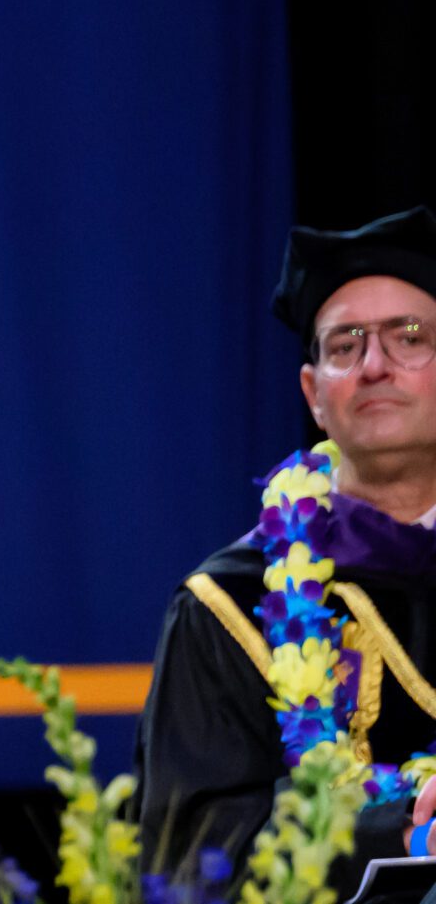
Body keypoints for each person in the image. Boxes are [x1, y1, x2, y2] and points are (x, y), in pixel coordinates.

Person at [135, 205, 436, 887]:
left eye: (409, 337)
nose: (375, 365)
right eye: (344, 345)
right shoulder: (229, 604)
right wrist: (405, 831)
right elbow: (191, 861)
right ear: (314, 394)